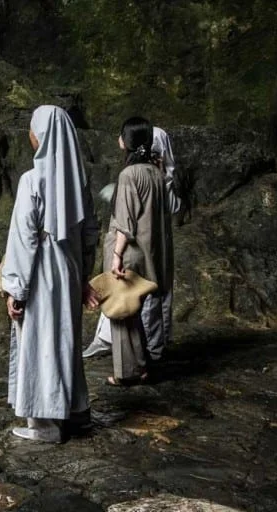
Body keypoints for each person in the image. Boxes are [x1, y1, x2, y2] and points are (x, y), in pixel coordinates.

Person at [1, 105, 100, 443]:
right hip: (69, 270)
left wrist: (16, 288)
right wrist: (83, 276)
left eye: (32, 128)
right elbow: (90, 234)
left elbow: (24, 238)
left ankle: (45, 425)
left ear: (41, 135)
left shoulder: (31, 180)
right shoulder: (79, 183)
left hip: (42, 270)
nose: (29, 133)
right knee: (65, 339)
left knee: (40, 341)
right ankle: (76, 412)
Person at [83, 123, 178, 363]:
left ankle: (136, 364)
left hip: (133, 250)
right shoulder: (156, 174)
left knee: (128, 303)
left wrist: (117, 254)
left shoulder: (131, 175)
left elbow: (126, 223)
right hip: (152, 248)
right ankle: (148, 356)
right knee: (147, 299)